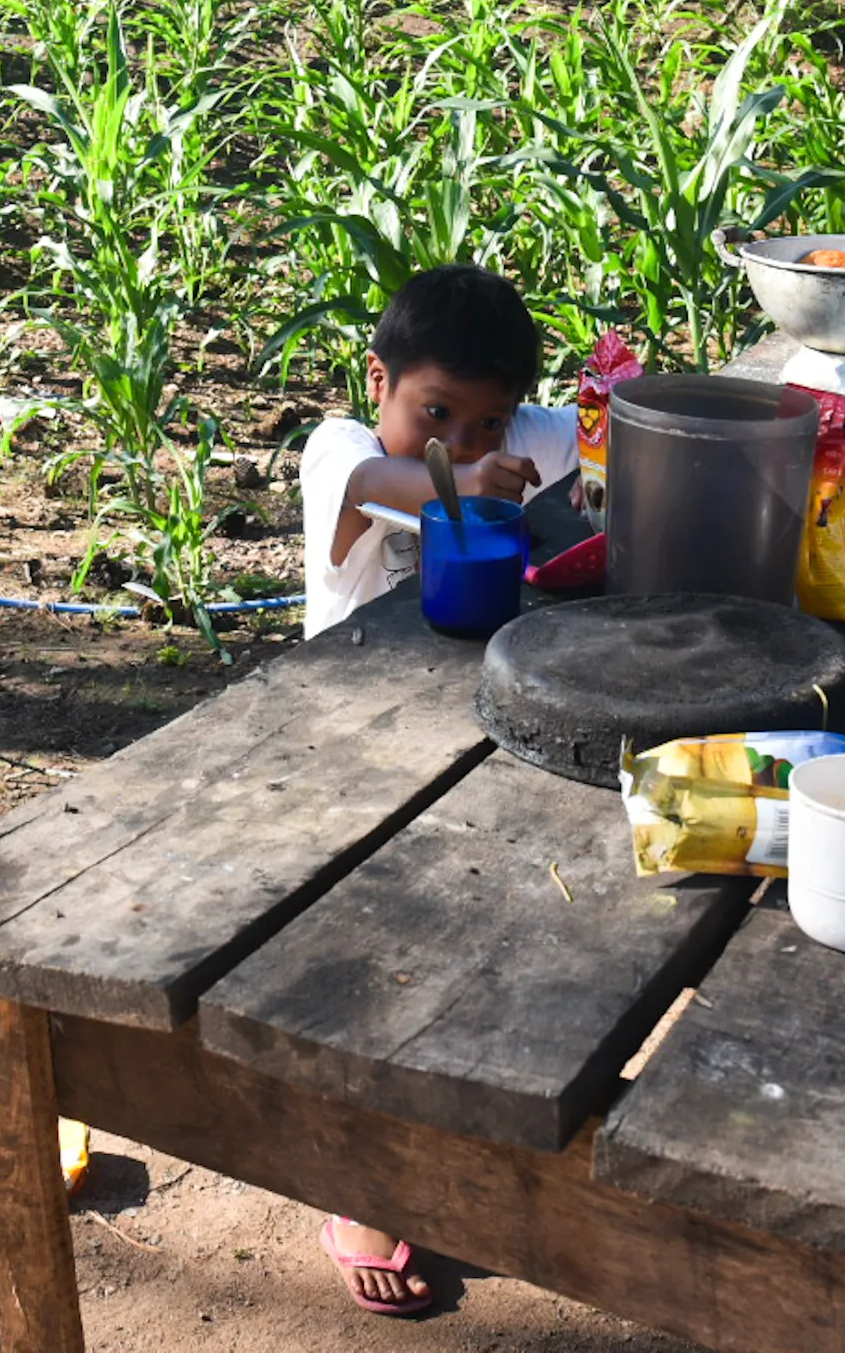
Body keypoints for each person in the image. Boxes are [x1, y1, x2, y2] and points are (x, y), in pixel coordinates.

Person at [296, 264, 580, 1313]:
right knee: (361, 978)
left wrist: (612, 418)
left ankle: (465, 1133)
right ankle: (355, 1181)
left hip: (478, 740)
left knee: (483, 952)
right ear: (379, 381)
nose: (462, 439)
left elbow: (592, 436)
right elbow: (394, 487)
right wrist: (473, 476)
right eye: (437, 411)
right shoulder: (345, 451)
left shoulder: (526, 439)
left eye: (486, 418)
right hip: (346, 748)